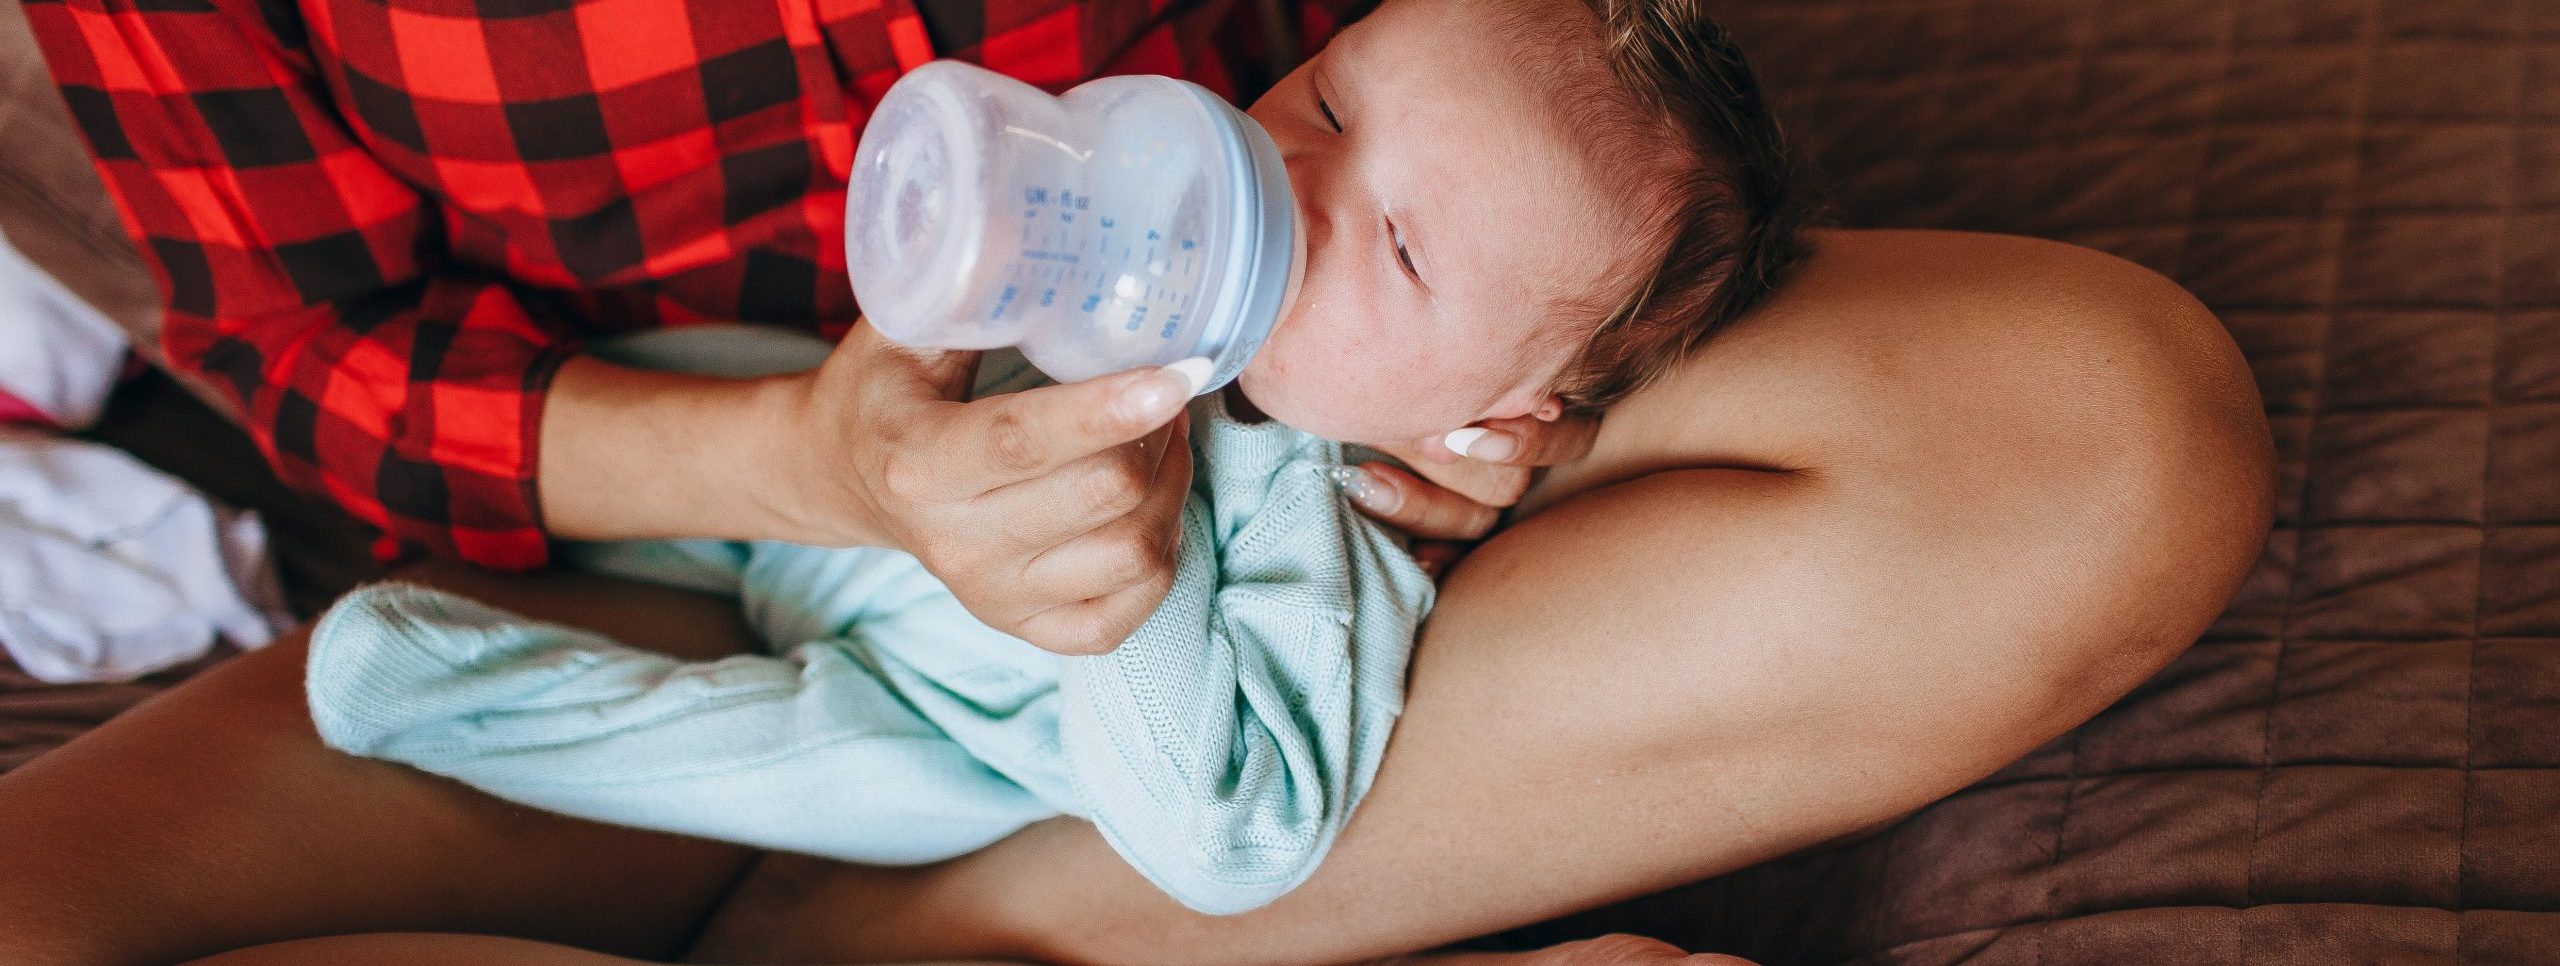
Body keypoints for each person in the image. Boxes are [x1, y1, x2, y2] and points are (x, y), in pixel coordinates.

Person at [0, 0, 2275, 962]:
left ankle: (961, 933)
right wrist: (819, 458)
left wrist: (1471, 393)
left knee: (2099, 431)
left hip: (1310, 409)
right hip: (697, 517)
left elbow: (1514, 93)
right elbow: (310, 356)